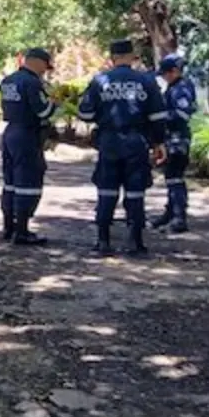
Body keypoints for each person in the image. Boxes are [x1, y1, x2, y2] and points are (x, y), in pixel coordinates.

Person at [78, 40, 168, 256]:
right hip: (136, 142)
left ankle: (103, 241)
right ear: (132, 56)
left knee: (106, 190)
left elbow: (85, 114)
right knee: (136, 192)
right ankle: (135, 242)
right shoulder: (146, 81)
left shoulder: (100, 81)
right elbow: (157, 117)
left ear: (112, 57)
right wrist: (158, 143)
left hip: (109, 141)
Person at [0, 48, 56, 246]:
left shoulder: (8, 80)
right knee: (28, 181)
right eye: (44, 67)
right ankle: (22, 231)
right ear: (37, 62)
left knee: (10, 181)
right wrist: (55, 102)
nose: (45, 72)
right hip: (27, 134)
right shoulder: (31, 82)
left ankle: (8, 226)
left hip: (10, 132)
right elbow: (43, 111)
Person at [152, 55, 196, 233]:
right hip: (171, 139)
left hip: (178, 139)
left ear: (175, 71)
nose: (163, 77)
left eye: (166, 73)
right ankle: (170, 213)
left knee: (175, 177)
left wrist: (161, 117)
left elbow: (182, 114)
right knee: (170, 177)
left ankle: (179, 218)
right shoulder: (173, 87)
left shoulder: (181, 89)